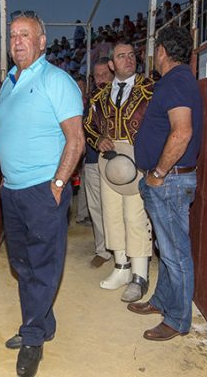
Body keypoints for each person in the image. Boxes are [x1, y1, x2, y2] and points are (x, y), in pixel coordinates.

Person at [0, 10, 84, 377]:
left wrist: (59, 184)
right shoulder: (8, 81)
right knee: (22, 265)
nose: (17, 41)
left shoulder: (56, 80)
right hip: (12, 191)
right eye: (13, 35)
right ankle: (43, 321)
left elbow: (76, 140)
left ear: (42, 41)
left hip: (43, 190)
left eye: (25, 35)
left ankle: (32, 337)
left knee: (43, 265)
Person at [129, 26, 203, 341]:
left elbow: (182, 132)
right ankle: (162, 301)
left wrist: (157, 173)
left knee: (175, 253)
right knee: (167, 248)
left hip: (169, 181)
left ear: (161, 51)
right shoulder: (177, 81)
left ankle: (177, 320)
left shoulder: (176, 82)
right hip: (167, 180)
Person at [84, 41, 155, 302]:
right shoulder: (100, 96)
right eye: (121, 56)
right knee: (111, 214)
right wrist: (98, 139)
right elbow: (89, 125)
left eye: (131, 55)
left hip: (138, 159)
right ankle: (121, 267)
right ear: (112, 64)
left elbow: (158, 123)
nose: (128, 59)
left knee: (135, 216)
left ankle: (139, 275)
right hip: (108, 160)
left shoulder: (149, 89)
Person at [81, 58, 114, 267]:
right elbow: (85, 127)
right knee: (96, 207)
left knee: (117, 207)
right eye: (97, 76)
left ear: (112, 74)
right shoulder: (92, 99)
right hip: (93, 159)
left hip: (118, 160)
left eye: (104, 74)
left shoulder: (124, 96)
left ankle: (121, 250)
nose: (100, 79)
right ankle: (103, 250)